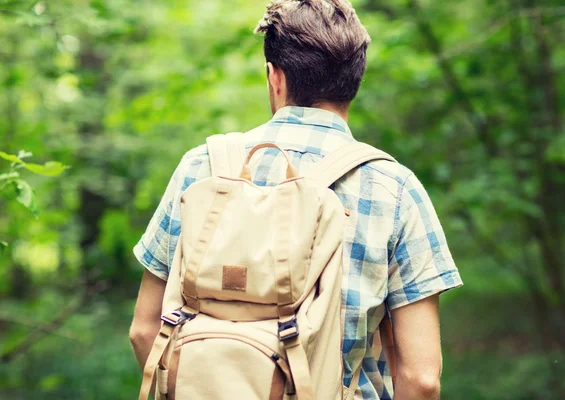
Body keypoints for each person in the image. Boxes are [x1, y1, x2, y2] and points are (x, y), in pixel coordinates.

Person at [129, 0, 463, 399]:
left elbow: (145, 329)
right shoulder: (394, 188)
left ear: (275, 77)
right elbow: (421, 379)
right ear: (354, 82)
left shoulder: (201, 168)